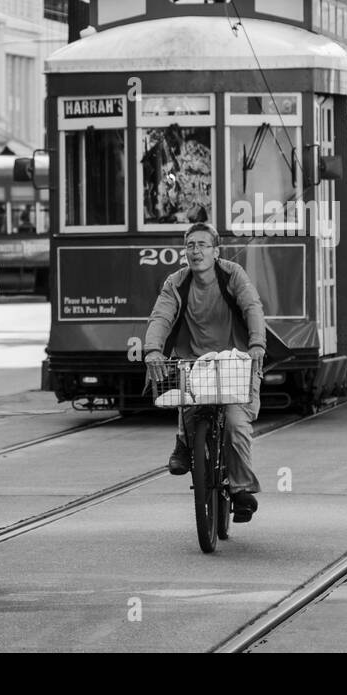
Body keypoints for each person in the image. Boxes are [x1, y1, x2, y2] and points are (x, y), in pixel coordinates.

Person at [144, 223, 266, 523]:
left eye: (202, 245)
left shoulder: (232, 274)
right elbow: (161, 315)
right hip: (196, 363)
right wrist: (152, 350)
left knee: (236, 423)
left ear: (216, 251)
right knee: (187, 403)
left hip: (234, 361)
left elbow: (252, 306)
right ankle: (185, 443)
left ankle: (240, 490)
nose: (195, 251)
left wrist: (257, 344)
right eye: (190, 245)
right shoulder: (177, 281)